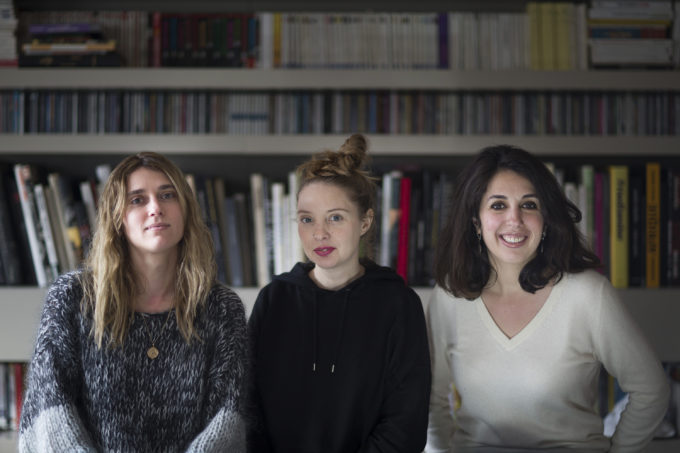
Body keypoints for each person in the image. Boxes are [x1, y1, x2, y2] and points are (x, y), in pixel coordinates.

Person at [425, 145, 670, 452]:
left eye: (529, 205)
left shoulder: (588, 294)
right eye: (498, 206)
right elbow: (430, 400)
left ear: (545, 219)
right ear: (476, 222)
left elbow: (651, 390)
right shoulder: (450, 296)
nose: (514, 219)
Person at [19, 152, 248, 452]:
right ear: (117, 218)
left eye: (168, 195)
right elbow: (50, 414)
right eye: (137, 199)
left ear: (186, 209)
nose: (156, 208)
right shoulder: (72, 298)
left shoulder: (221, 308)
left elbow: (227, 421)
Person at [247, 134, 431, 452]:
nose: (320, 233)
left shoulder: (398, 304)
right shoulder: (274, 300)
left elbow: (406, 424)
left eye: (335, 217)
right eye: (307, 219)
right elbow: (247, 408)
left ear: (365, 222)